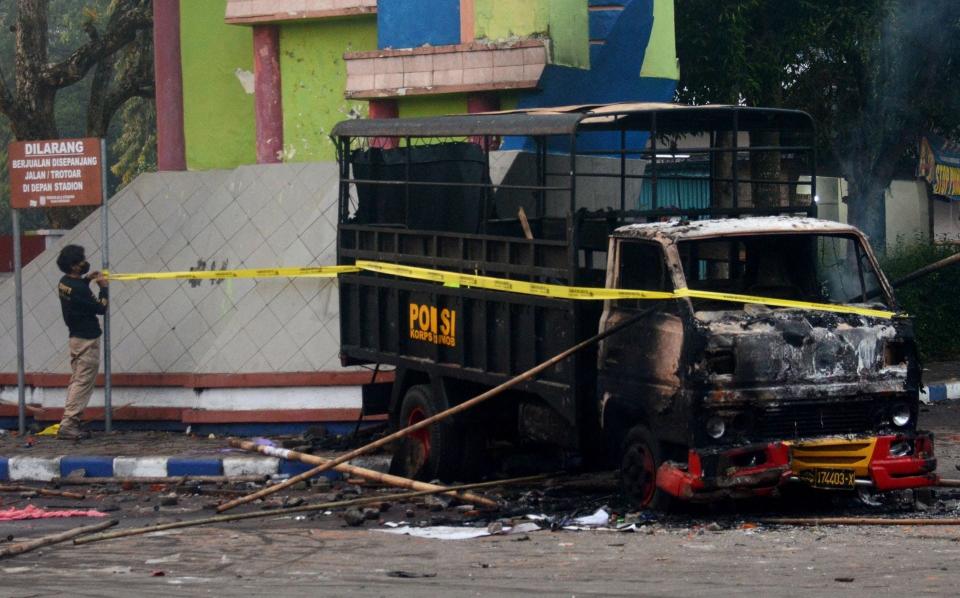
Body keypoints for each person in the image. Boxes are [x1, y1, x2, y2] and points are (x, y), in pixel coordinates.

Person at [55, 245, 108, 440]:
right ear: (74, 266)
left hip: (75, 337)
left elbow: (78, 293)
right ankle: (69, 424)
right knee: (83, 382)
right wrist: (104, 288)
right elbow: (101, 308)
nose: (85, 263)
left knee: (77, 380)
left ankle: (70, 422)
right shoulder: (78, 289)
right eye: (81, 261)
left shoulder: (64, 282)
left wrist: (87, 280)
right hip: (86, 340)